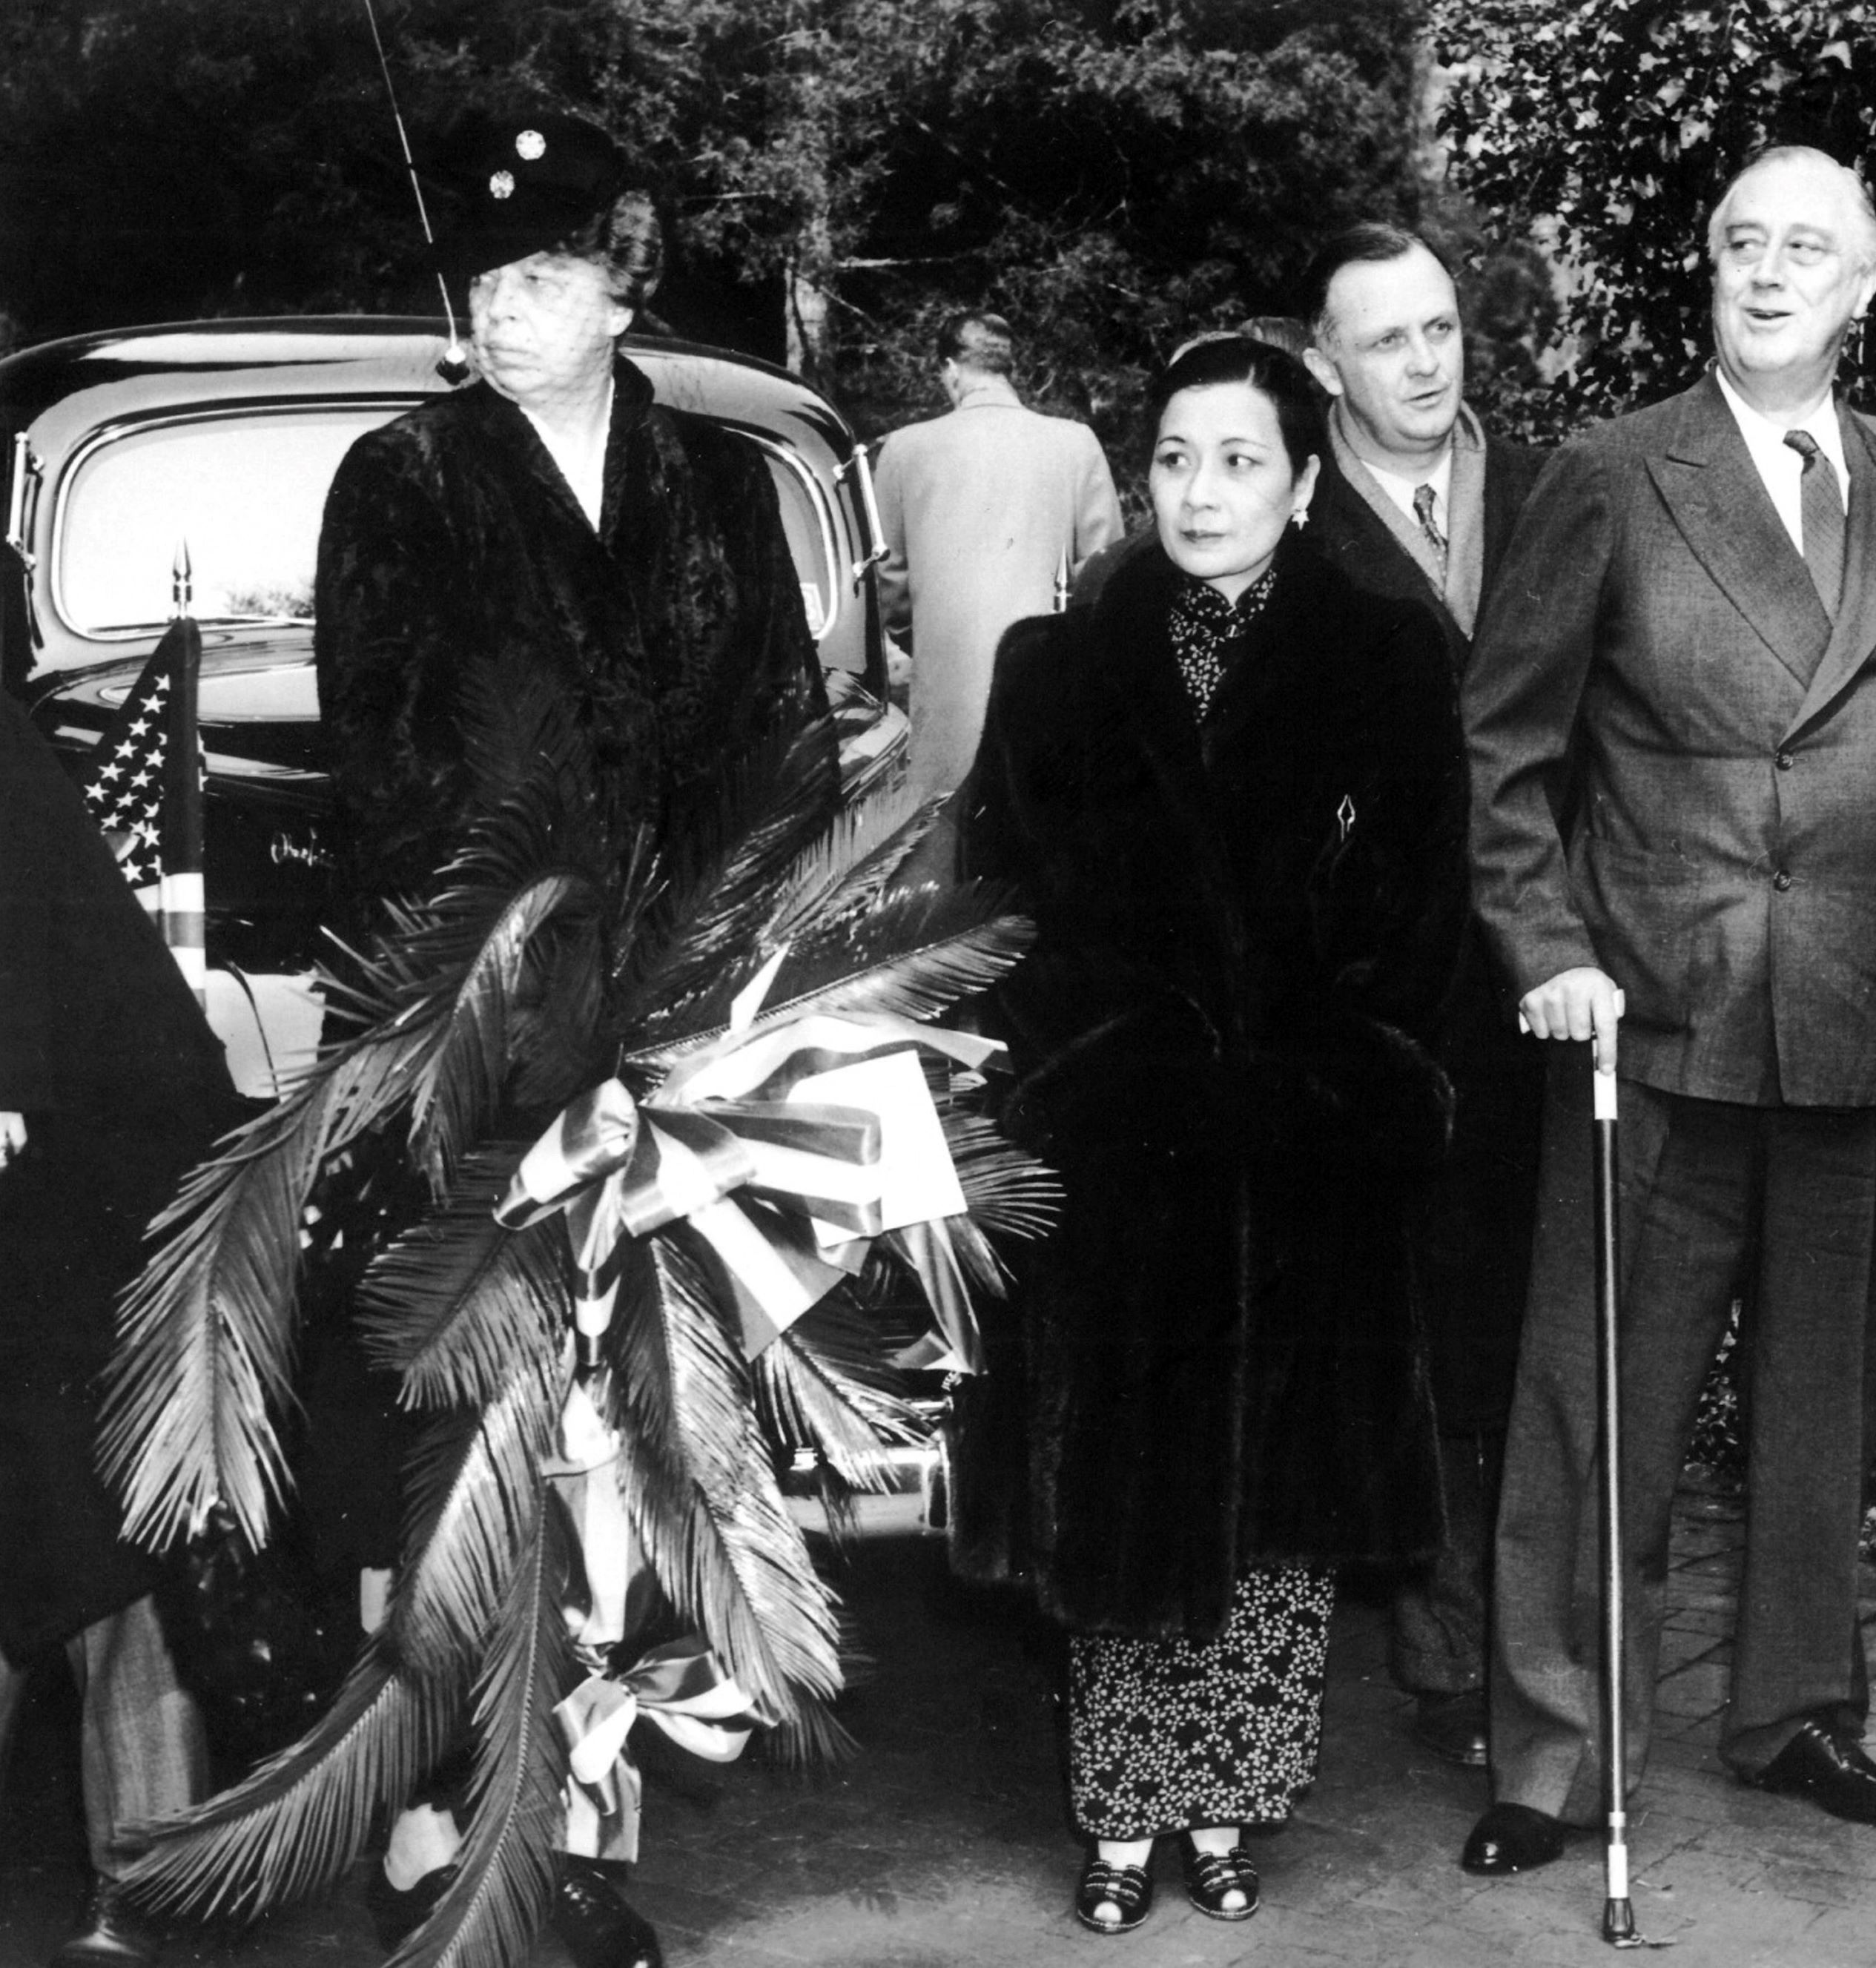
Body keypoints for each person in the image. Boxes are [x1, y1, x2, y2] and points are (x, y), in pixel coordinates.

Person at [312, 108, 831, 1968]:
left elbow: (784, 746)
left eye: (540, 275)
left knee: (632, 1440)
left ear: (624, 291)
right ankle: (450, 1832)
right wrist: (530, 1000)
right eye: (484, 276)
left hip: (679, 1045)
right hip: (486, 1049)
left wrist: (718, 990)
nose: (499, 307)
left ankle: (584, 1843)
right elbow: (383, 774)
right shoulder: (405, 478)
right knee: (474, 1437)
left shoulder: (720, 486)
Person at [1456, 145, 1876, 1875]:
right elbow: (1507, 743)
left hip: (1853, 1014)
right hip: (1651, 1020)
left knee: (1825, 1395)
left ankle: (1798, 1710)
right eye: (1743, 241)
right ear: (1709, 266)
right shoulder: (1612, 474)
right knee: (1599, 1399)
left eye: (1806, 248)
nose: (1768, 272)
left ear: (1865, 285)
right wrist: (1548, 946)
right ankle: (1557, 1749)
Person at [947, 337, 1466, 1933]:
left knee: (1277, 1499)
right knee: (1119, 1484)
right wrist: (1077, 1077)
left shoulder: (1388, 656)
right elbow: (997, 903)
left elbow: (1426, 914)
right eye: (1175, 457)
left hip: (1304, 1143)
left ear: (1304, 484)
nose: (1202, 490)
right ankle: (1120, 1814)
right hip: (1122, 1145)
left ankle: (1234, 1802)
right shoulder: (1057, 662)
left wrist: (1345, 1077)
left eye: (1240, 459)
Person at [1295, 222, 1547, 1769]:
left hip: (1526, 973)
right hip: (1367, 988)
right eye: (1386, 341)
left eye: (1441, 329)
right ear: (1327, 362)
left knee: (1502, 1305)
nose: (1424, 362)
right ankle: (1406, 1620)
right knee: (1375, 1305)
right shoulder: (1290, 513)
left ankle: (1480, 1634)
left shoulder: (1542, 491)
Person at [0, 683, 240, 1968]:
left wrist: (5, 1075)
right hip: (50, 1185)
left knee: (96, 1537)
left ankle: (150, 1886)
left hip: (91, 1178)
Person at [871, 312, 1123, 801]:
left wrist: (931, 644)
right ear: (1009, 366)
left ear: (950, 368)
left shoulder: (902, 451)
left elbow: (890, 584)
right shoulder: (1075, 443)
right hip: (1046, 694)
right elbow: (1104, 575)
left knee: (943, 848)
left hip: (945, 702)